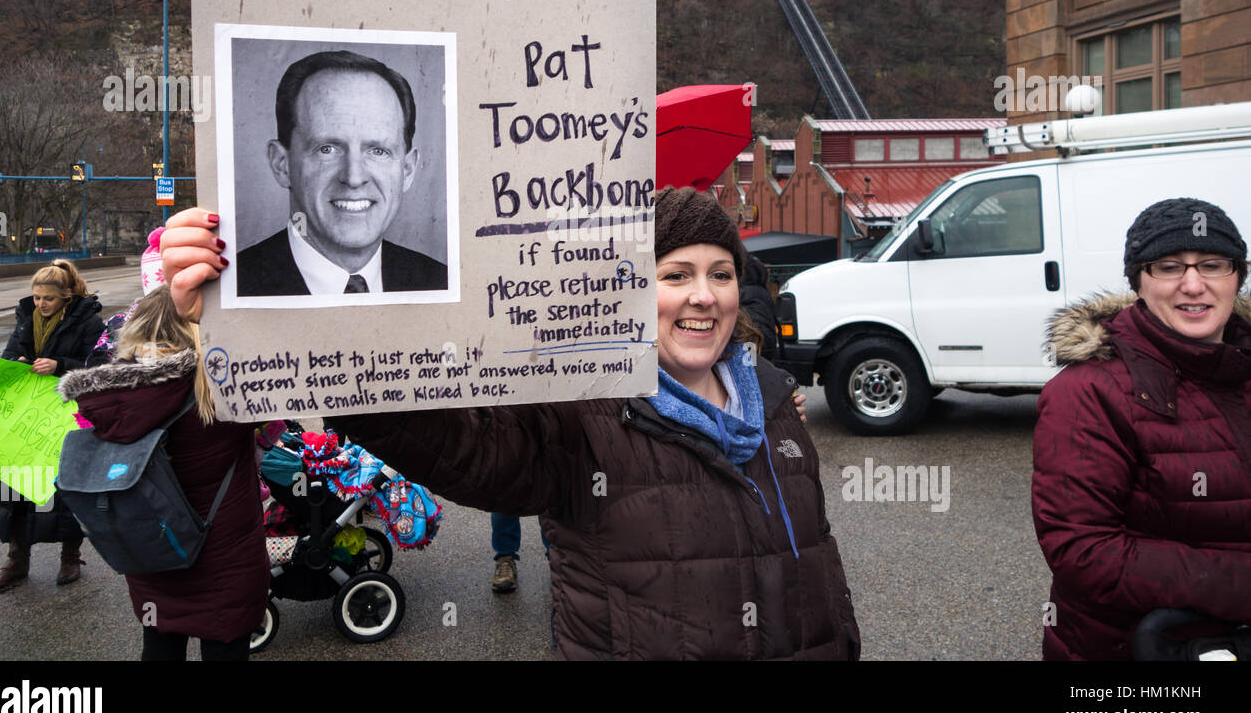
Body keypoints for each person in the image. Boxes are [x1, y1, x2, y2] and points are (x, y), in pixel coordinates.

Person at [161, 189, 860, 659]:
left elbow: (819, 581)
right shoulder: (584, 413)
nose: (702, 296)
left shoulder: (775, 405)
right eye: (674, 275)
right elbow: (462, 446)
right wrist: (247, 314)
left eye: (721, 273)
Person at [1032, 197, 1251, 660]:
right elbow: (1083, 550)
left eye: (1213, 264)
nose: (1193, 285)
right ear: (1139, 282)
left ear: (1238, 276)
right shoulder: (1089, 390)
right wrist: (1237, 582)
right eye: (1169, 267)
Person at [57, 286, 269, 661]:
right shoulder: (223, 389)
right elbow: (274, 428)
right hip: (225, 557)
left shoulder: (109, 396)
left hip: (153, 552)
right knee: (225, 648)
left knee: (159, 646)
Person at [237, 50, 447, 296]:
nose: (354, 177)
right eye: (327, 149)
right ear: (281, 164)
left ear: (407, 170)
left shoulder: (440, 282)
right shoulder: (230, 288)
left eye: (378, 151)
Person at [0, 260, 103, 595]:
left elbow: (99, 366)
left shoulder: (89, 322)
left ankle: (70, 555)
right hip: (26, 415)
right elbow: (8, 356)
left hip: (67, 415)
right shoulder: (26, 319)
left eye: (47, 298)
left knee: (64, 489)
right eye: (36, 297)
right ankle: (16, 560)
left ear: (66, 295)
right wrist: (16, 363)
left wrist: (59, 366)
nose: (40, 304)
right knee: (15, 486)